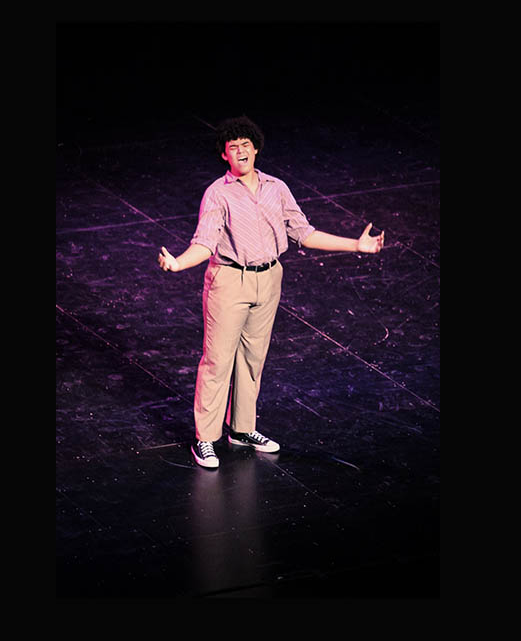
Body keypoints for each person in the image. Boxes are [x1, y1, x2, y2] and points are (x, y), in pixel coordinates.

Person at [158, 116, 384, 468]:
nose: (240, 151)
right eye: (233, 147)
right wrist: (178, 264)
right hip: (231, 280)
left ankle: (242, 429)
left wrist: (356, 245)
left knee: (253, 359)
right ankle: (206, 438)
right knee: (217, 361)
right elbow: (205, 242)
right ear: (225, 156)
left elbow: (304, 233)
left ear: (256, 147)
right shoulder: (218, 193)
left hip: (270, 277)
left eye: (245, 144)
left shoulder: (276, 188)